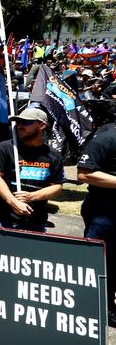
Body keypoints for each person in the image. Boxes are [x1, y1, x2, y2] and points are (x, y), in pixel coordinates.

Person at [0, 107, 64, 248]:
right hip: (2, 218)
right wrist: (13, 202)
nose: (20, 126)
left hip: (35, 222)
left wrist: (32, 196)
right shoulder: (6, 148)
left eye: (26, 122)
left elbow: (57, 186)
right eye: (18, 122)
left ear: (42, 125)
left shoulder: (52, 155)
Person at [77, 122, 116, 326]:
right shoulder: (107, 138)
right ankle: (98, 307)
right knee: (99, 263)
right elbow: (84, 174)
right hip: (104, 212)